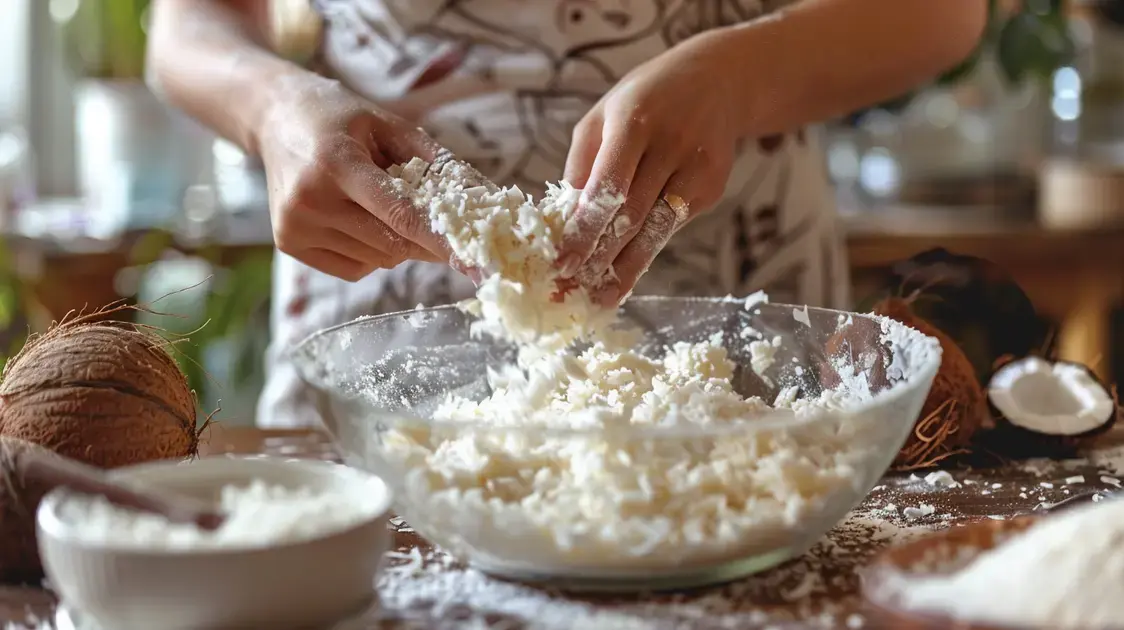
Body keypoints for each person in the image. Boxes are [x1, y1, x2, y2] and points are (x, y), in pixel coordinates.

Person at [147, 0, 987, 429]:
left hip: (745, 296)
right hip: (378, 299)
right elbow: (184, 24)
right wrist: (271, 109)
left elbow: (945, 13)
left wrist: (743, 77)